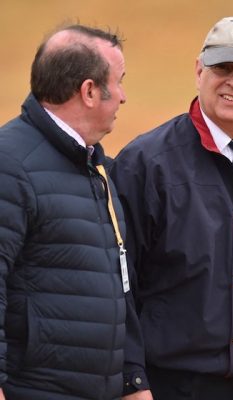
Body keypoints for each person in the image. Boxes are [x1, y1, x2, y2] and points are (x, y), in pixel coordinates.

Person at [111, 16, 233, 400]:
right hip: (174, 386)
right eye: (222, 67)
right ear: (199, 70)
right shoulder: (145, 163)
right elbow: (117, 286)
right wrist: (131, 380)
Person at [0, 24, 152, 400]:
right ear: (88, 91)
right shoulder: (9, 163)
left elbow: (118, 288)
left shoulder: (96, 168)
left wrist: (133, 382)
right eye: (118, 82)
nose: (123, 96)